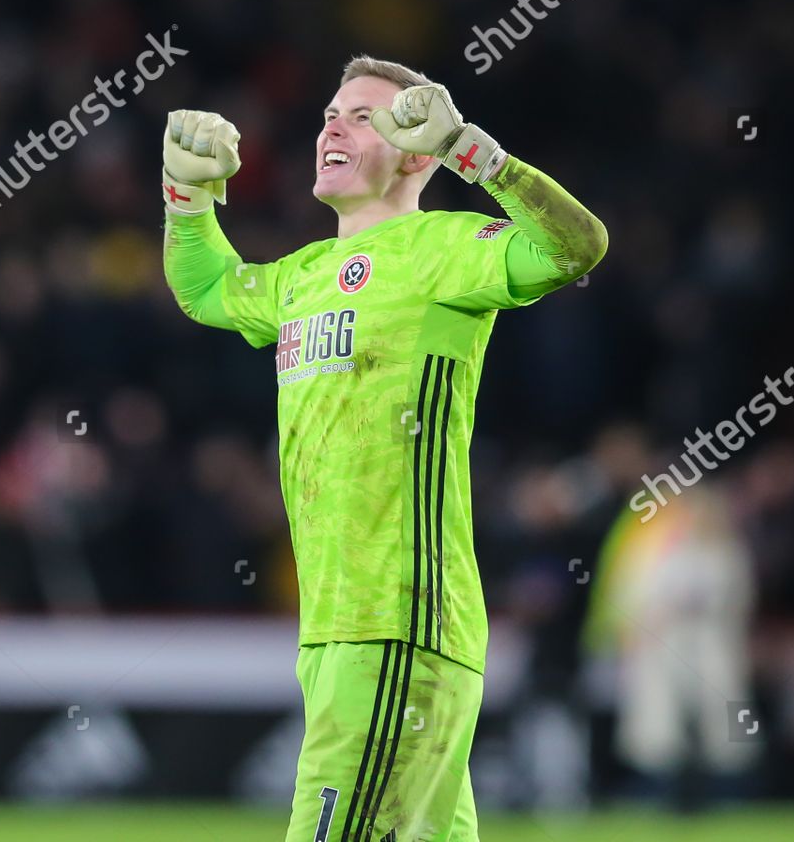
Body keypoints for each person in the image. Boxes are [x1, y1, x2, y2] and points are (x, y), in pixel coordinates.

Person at [161, 55, 606, 839]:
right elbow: (206, 290)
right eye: (331, 113)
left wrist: (475, 150)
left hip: (399, 623)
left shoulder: (443, 250)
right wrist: (186, 198)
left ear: (416, 151)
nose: (332, 124)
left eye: (363, 117)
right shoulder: (303, 276)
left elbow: (577, 247)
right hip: (338, 626)